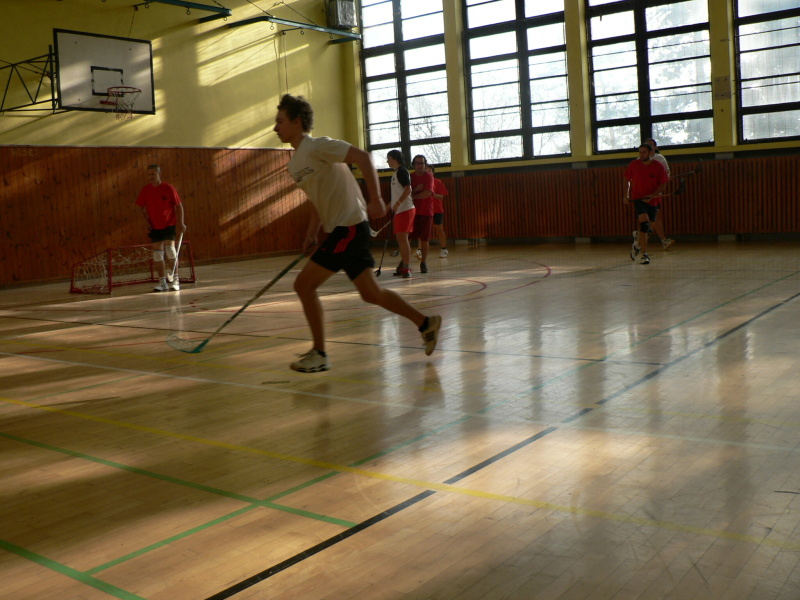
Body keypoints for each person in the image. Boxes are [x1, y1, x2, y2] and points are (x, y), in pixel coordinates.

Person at [273, 94, 441, 373]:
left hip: (349, 227)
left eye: (280, 121)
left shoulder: (319, 146)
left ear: (297, 122)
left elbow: (363, 157)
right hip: (343, 229)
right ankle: (426, 323)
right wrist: (310, 234)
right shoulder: (295, 165)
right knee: (371, 293)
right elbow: (317, 200)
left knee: (303, 285)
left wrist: (376, 199)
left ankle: (320, 353)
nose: (275, 127)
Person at [135, 164, 187, 292]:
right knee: (157, 254)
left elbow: (179, 206)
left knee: (170, 250)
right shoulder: (146, 190)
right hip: (155, 226)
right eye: (149, 174)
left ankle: (175, 280)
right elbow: (140, 208)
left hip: (169, 224)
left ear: (159, 174)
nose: (151, 176)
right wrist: (146, 222)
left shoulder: (168, 188)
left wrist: (181, 223)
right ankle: (163, 282)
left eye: (153, 174)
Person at [624, 143, 668, 265]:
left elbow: (663, 185)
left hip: (653, 200)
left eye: (644, 152)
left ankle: (637, 245)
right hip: (638, 198)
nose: (641, 154)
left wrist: (653, 195)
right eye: (640, 152)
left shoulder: (658, 166)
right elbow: (626, 179)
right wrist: (626, 195)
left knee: (648, 230)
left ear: (650, 153)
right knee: (644, 224)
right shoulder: (634, 165)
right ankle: (644, 254)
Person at [641, 137, 675, 250]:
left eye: (651, 145)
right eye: (647, 144)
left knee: (655, 215)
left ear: (655, 147)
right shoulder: (639, 160)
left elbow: (666, 173)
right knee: (646, 217)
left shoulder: (660, 159)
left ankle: (660, 240)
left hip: (655, 193)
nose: (649, 147)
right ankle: (643, 240)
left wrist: (666, 178)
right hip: (642, 193)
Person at [386, 150, 415, 278]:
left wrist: (398, 203)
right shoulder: (396, 173)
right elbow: (397, 193)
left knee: (403, 238)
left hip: (405, 209)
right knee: (400, 239)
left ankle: (407, 267)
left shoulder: (402, 171)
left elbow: (408, 189)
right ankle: (404, 265)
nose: (387, 161)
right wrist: (388, 206)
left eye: (388, 158)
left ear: (394, 158)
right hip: (400, 210)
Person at [409, 154, 435, 273]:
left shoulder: (429, 176)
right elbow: (406, 193)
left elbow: (427, 193)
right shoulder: (410, 177)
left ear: (425, 164)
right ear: (414, 165)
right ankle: (404, 262)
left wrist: (413, 196)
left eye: (422, 163)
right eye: (417, 163)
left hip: (426, 212)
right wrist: (415, 191)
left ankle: (423, 262)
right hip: (412, 211)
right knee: (408, 238)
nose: (420, 165)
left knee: (424, 239)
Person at [428, 165, 449, 258]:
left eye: (429, 171)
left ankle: (444, 249)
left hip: (437, 209)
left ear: (433, 173)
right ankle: (420, 250)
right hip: (426, 210)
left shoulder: (437, 182)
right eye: (426, 170)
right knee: (423, 230)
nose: (428, 172)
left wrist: (432, 194)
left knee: (439, 229)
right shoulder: (422, 183)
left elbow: (441, 197)